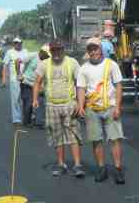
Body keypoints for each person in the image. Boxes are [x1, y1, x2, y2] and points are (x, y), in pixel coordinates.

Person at [76, 36, 125, 184]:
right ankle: (101, 169)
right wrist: (80, 105)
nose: (93, 52)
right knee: (96, 140)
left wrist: (117, 106)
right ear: (88, 51)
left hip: (110, 107)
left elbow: (118, 86)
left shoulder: (111, 65)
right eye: (90, 49)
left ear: (100, 49)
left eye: (95, 48)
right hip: (92, 109)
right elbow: (81, 88)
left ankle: (117, 170)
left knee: (114, 139)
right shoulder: (84, 68)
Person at [33, 40, 84, 178]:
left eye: (59, 50)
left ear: (63, 50)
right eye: (54, 50)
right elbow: (37, 82)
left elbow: (80, 83)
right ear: (50, 51)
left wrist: (80, 104)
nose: (56, 53)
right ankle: (61, 165)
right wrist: (35, 99)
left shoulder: (72, 63)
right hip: (51, 105)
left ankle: (78, 165)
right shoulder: (44, 65)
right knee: (57, 137)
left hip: (69, 104)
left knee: (73, 135)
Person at [1, 37, 30, 126]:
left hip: (26, 79)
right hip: (14, 80)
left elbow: (31, 62)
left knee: (27, 99)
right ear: (13, 44)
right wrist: (4, 78)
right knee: (16, 99)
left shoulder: (26, 51)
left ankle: (27, 118)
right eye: (16, 43)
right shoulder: (10, 52)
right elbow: (5, 65)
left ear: (22, 43)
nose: (18, 44)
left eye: (19, 42)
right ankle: (16, 119)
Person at [20, 45, 44, 127]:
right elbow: (18, 61)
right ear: (41, 51)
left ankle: (39, 122)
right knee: (28, 103)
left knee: (40, 102)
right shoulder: (33, 55)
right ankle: (26, 121)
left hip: (38, 85)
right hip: (27, 83)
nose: (45, 55)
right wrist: (19, 74)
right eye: (44, 53)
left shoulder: (47, 59)